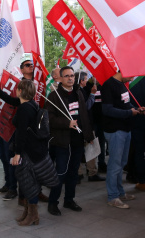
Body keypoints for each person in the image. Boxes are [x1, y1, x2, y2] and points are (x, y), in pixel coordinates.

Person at [0, 59, 49, 203]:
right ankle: (11, 186)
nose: (32, 67)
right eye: (28, 65)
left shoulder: (40, 85)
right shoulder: (13, 85)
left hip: (23, 134)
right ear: (21, 69)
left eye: (33, 66)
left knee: (24, 165)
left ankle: (30, 195)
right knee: (6, 158)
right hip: (4, 125)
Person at [45, 66, 95, 216]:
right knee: (61, 173)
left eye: (72, 75)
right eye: (66, 76)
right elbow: (49, 119)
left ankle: (69, 200)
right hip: (62, 142)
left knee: (73, 172)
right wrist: (67, 123)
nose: (70, 78)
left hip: (77, 141)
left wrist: (89, 136)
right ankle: (53, 202)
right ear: (60, 78)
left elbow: (84, 115)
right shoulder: (54, 96)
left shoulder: (79, 92)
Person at [11, 79, 58, 226]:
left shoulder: (24, 108)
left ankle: (33, 215)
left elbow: (22, 133)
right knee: (29, 183)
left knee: (29, 183)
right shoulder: (32, 104)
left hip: (28, 153)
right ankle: (28, 212)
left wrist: (17, 153)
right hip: (35, 150)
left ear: (19, 91)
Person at [101, 71, 145, 209]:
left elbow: (125, 103)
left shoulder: (122, 84)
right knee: (114, 165)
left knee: (122, 163)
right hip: (115, 130)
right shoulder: (108, 85)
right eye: (131, 74)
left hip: (126, 129)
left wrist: (136, 109)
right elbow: (107, 110)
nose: (133, 77)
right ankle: (112, 196)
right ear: (122, 70)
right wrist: (129, 113)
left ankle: (120, 192)